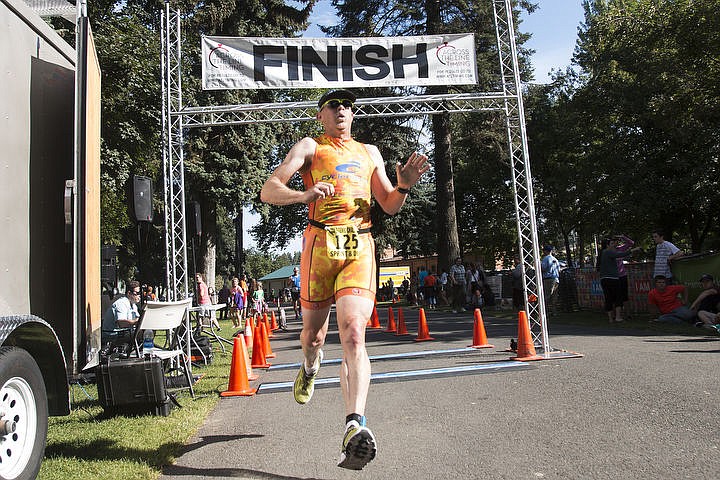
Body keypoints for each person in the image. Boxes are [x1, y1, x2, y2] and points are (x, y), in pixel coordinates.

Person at [259, 88, 429, 470]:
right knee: (313, 337)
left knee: (353, 332)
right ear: (321, 115)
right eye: (334, 105)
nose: (342, 111)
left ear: (354, 115)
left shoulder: (370, 152)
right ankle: (309, 366)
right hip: (319, 245)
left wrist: (402, 185)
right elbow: (269, 190)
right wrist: (304, 195)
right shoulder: (309, 146)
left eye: (348, 106)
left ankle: (355, 424)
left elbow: (389, 204)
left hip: (359, 246)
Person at [597, 238, 641, 323]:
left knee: (608, 298)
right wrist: (634, 249)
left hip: (604, 279)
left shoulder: (602, 254)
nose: (614, 244)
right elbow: (621, 255)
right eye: (612, 243)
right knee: (618, 297)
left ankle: (610, 318)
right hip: (613, 279)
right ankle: (618, 317)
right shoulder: (608, 252)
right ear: (607, 245)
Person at [101, 280, 141, 344]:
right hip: (112, 336)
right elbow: (122, 323)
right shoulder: (121, 303)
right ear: (129, 293)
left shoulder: (133, 305)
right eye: (137, 293)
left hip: (124, 332)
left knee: (148, 331)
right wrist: (136, 322)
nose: (139, 295)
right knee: (141, 334)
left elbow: (138, 318)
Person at [541, 245, 560, 316]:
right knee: (554, 296)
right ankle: (554, 312)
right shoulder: (555, 259)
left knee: (547, 296)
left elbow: (543, 268)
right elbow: (558, 270)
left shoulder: (546, 259)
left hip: (548, 279)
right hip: (556, 279)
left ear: (545, 251)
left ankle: (545, 312)